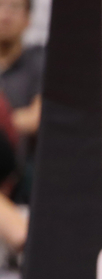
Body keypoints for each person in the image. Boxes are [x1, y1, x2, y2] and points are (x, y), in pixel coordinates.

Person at [0, 0, 45, 203]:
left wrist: (6, 124)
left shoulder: (39, 60)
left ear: (28, 19)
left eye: (14, 8)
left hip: (25, 181)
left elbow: (39, 116)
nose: (5, 16)